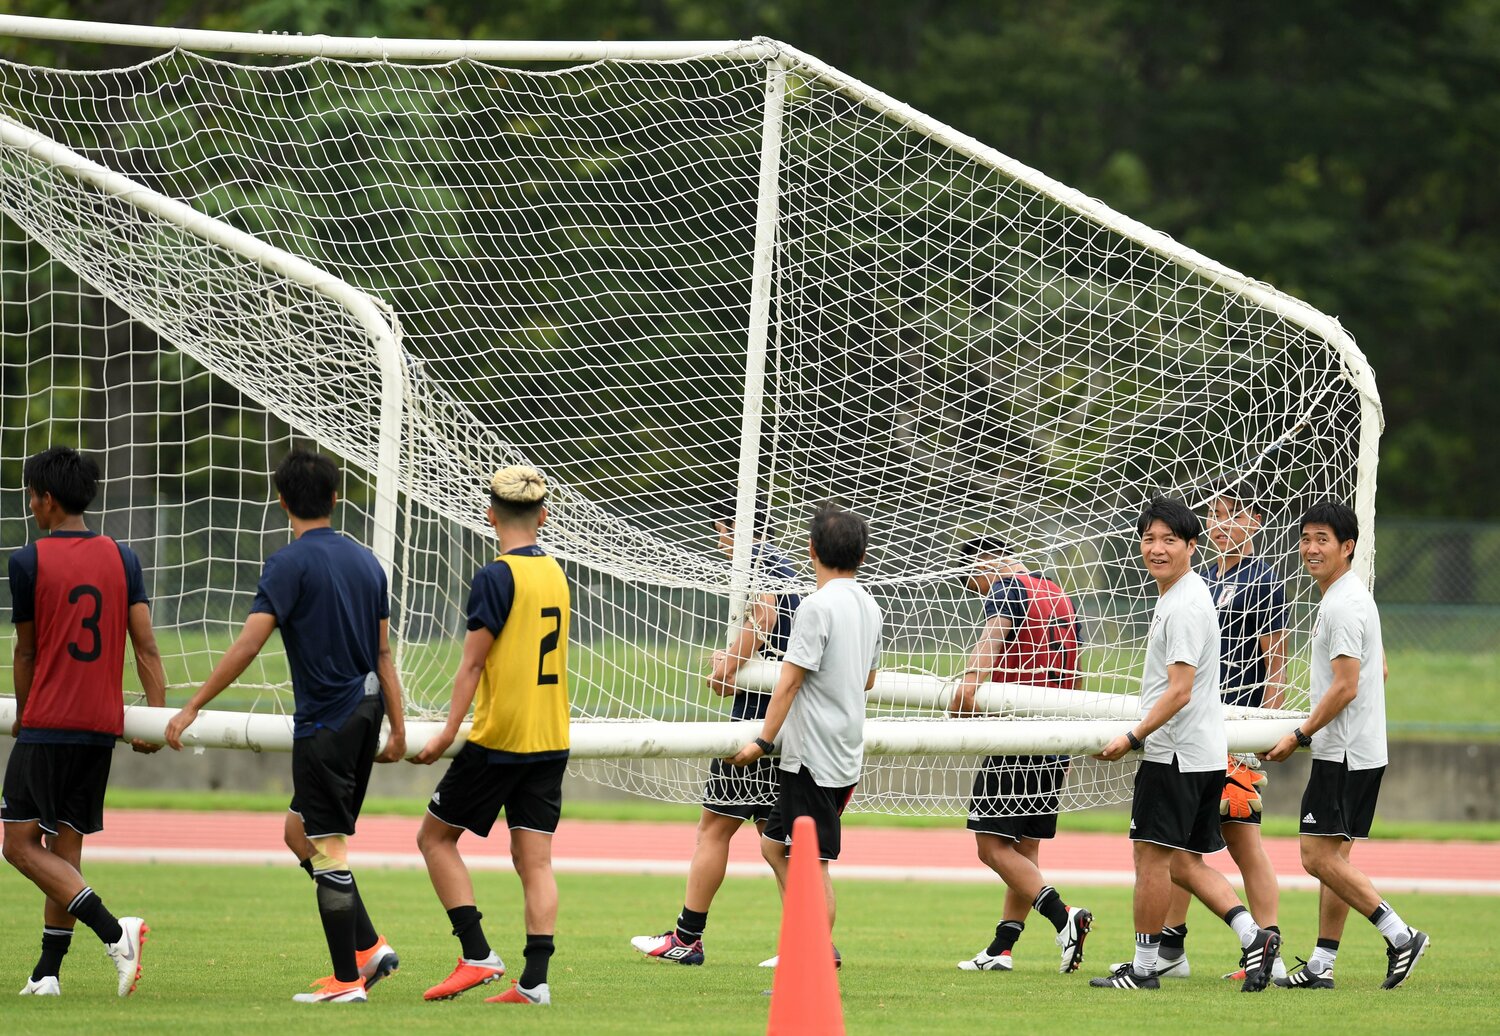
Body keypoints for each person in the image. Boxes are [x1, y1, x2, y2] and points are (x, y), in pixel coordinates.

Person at [165, 449, 407, 1004]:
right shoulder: (368, 562)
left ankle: (347, 983)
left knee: (328, 849)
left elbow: (250, 643)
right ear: (336, 499)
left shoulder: (287, 564)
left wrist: (193, 704)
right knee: (299, 833)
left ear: (281, 502)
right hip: (366, 717)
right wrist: (396, 728)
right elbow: (384, 654)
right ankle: (370, 950)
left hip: (325, 724)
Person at [1091, 496, 1279, 992]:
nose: (1156, 549)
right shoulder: (1185, 594)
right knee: (1183, 863)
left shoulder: (1185, 604)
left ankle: (1145, 968)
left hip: (1175, 753)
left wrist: (1133, 736)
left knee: (1152, 860)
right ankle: (1253, 937)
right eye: (1149, 539)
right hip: (1197, 751)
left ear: (1191, 546)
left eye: (1168, 540)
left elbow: (1180, 689)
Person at [2, 446, 166, 999]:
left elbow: (26, 653)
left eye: (31, 496)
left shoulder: (27, 561)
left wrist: (26, 719)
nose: (29, 506)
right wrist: (154, 716)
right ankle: (47, 974)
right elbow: (146, 648)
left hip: (49, 724)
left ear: (47, 500)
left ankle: (115, 930)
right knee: (64, 851)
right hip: (100, 728)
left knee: (19, 844)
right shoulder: (125, 558)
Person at [413, 465, 569, 1007]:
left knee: (433, 839)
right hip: (551, 737)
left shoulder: (496, 575)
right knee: (536, 861)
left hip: (501, 738)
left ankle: (477, 954)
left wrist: (446, 733)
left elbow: (471, 666)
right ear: (544, 516)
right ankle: (535, 982)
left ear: (489, 515)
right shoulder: (556, 571)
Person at [1263, 501, 1429, 990]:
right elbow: (1378, 669)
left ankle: (1401, 936)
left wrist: (1299, 734)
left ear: (1347, 547)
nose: (1311, 548)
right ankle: (1322, 965)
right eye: (1306, 538)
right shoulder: (1348, 598)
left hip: (1345, 753)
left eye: (1323, 540)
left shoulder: (1342, 603)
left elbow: (1347, 685)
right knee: (1335, 860)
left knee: (1315, 858)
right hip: (1360, 749)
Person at [631, 498, 801, 966]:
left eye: (721, 532)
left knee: (714, 829)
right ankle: (809, 942)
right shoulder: (789, 571)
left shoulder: (766, 570)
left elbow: (763, 617)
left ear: (736, 530)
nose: (719, 542)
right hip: (785, 727)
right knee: (776, 842)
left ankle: (687, 938)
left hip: (753, 730)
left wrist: (728, 663)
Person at [725, 502, 881, 969]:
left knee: (813, 864)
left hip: (813, 755)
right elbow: (869, 680)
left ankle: (813, 955)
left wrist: (763, 741)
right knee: (775, 845)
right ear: (862, 553)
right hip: (844, 748)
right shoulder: (870, 604)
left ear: (811, 549)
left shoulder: (816, 607)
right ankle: (811, 943)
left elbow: (789, 681)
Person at [1147, 486, 1289, 980]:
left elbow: (1277, 660)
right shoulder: (1201, 579)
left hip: (1236, 728)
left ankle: (1266, 941)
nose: (1221, 524)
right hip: (1200, 726)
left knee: (1242, 842)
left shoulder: (1262, 581)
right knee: (1183, 848)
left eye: (1233, 515)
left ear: (1255, 523)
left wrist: (1262, 729)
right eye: (1215, 515)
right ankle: (1171, 947)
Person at [948, 537, 1092, 974]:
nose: (979, 593)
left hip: (1017, 736)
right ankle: (1001, 948)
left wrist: (964, 694)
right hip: (1055, 736)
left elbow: (990, 643)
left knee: (990, 847)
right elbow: (1079, 671)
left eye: (974, 583)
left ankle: (1063, 917)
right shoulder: (1059, 594)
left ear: (985, 564)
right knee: (1023, 850)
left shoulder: (1007, 588)